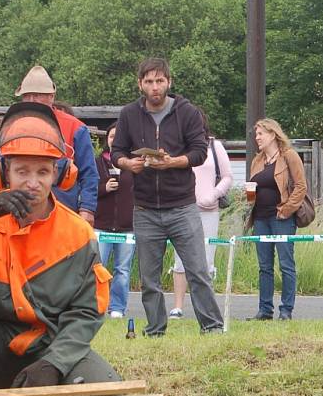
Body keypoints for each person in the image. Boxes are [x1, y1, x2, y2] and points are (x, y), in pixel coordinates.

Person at [0, 102, 119, 391]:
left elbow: (85, 313)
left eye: (43, 172)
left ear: (59, 175)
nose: (32, 183)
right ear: (3, 173)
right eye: (22, 171)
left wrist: (54, 363)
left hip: (46, 349)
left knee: (103, 386)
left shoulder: (78, 234)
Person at [111, 57, 224, 336]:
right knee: (149, 278)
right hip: (145, 208)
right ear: (140, 84)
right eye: (149, 81)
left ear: (169, 83)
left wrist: (173, 162)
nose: (155, 87)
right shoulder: (128, 115)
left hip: (183, 206)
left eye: (159, 81)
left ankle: (211, 326)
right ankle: (155, 330)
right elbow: (117, 152)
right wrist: (128, 164)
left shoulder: (187, 113)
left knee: (198, 271)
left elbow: (199, 151)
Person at [15, 65, 98, 226]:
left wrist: (87, 209)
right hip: (20, 214)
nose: (31, 100)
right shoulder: (12, 127)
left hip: (63, 216)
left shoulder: (75, 128)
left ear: (51, 96)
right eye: (27, 96)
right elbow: (1, 169)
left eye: (37, 95)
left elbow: (89, 174)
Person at [170, 113, 233, 318]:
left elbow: (227, 177)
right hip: (182, 208)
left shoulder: (215, 147)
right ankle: (178, 306)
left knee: (206, 259)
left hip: (208, 211)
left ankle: (207, 306)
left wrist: (212, 196)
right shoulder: (178, 146)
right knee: (180, 258)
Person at [245, 119, 306, 321]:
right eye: (256, 134)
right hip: (260, 218)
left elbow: (300, 187)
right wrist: (249, 197)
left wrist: (287, 210)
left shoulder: (289, 156)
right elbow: (252, 188)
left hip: (281, 218)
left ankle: (286, 310)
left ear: (273, 134)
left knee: (286, 264)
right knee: (264, 266)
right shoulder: (257, 160)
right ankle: (265, 310)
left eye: (261, 134)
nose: (257, 138)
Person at [94, 123, 136, 318]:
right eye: (112, 137)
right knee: (98, 268)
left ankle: (117, 308)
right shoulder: (96, 162)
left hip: (127, 227)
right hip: (101, 225)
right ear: (107, 140)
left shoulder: (134, 165)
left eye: (119, 137)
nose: (115, 140)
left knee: (122, 269)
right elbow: (85, 190)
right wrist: (104, 188)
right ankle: (97, 306)